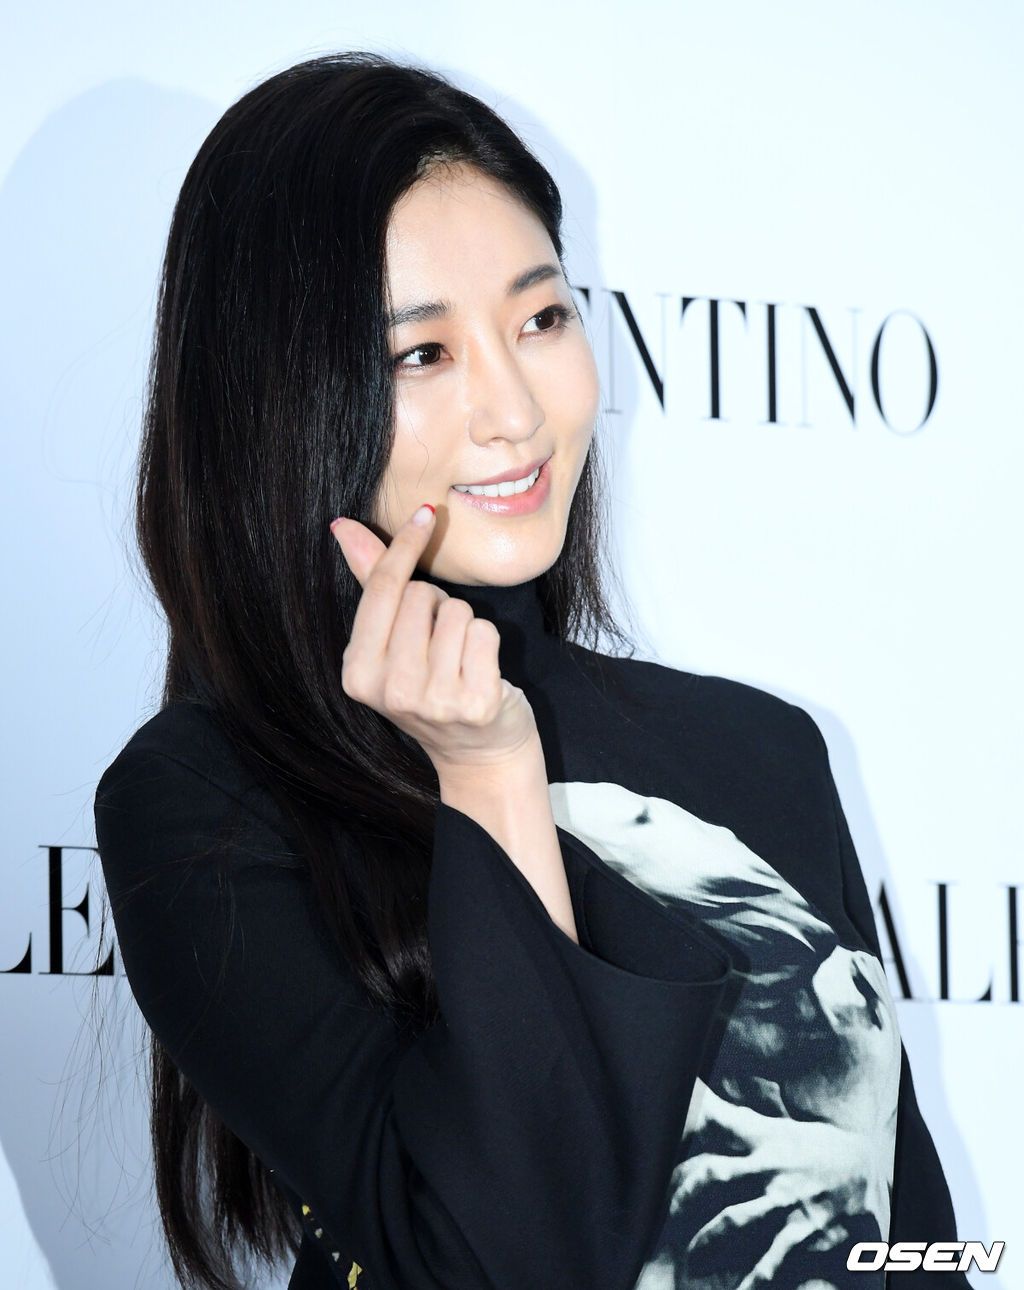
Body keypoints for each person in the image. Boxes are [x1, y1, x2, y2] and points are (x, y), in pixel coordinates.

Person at [94, 52, 967, 1290]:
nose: (513, 409)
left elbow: (916, 1243)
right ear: (282, 397)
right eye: (422, 355)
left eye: (541, 319)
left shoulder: (762, 753)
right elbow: (514, 1257)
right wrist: (487, 773)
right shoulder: (208, 800)